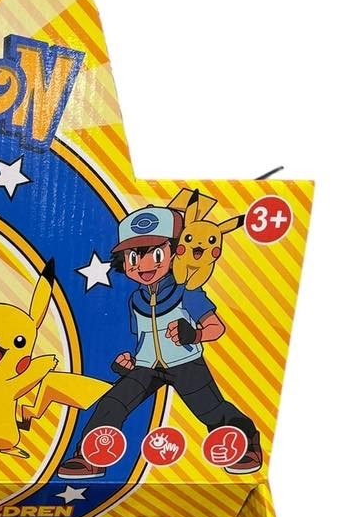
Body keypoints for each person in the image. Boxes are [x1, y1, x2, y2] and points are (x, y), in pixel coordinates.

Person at [57, 205, 260, 478]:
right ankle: (89, 456)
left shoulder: (187, 292)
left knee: (211, 410)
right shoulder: (136, 300)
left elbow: (216, 327)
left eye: (155, 254)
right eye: (133, 257)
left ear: (176, 252)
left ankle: (246, 446)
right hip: (147, 367)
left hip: (185, 363)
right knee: (112, 403)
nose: (143, 265)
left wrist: (194, 335)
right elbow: (143, 339)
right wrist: (128, 363)